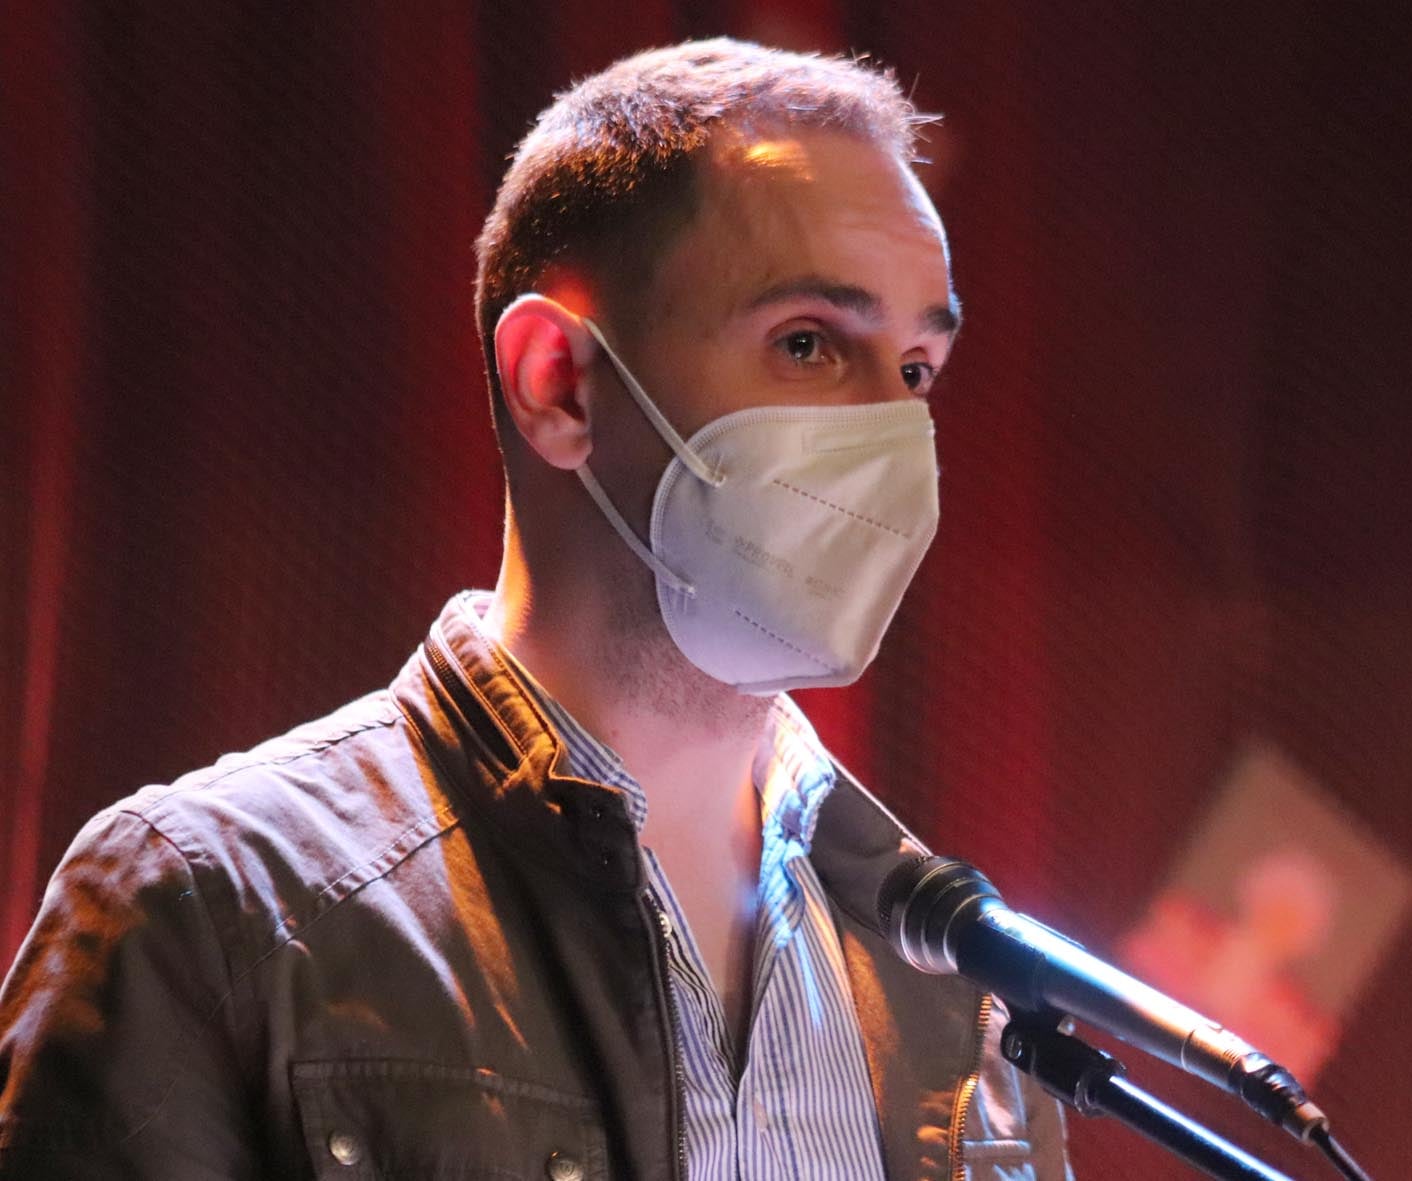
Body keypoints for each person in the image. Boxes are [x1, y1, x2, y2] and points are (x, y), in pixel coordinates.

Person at [0, 39, 1071, 1180]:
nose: (891, 438)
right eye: (806, 343)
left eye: (914, 370)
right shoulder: (214, 910)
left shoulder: (956, 990)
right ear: (557, 381)